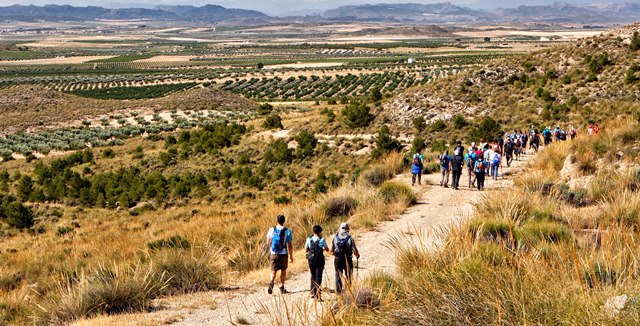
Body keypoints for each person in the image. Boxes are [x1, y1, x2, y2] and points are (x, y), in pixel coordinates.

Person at [267, 214, 294, 295]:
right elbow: (290, 245)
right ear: (284, 221)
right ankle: (282, 287)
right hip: (283, 253)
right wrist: (291, 256)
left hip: (274, 253)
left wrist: (272, 248)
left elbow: (268, 242)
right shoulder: (287, 231)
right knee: (283, 270)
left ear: (277, 220)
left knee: (273, 270)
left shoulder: (272, 229)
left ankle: (271, 281)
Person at [331, 223, 359, 294]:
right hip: (347, 259)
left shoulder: (335, 238)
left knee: (338, 275)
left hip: (337, 259)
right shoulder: (350, 238)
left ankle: (338, 291)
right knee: (348, 275)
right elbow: (354, 250)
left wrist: (336, 253)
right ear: (348, 229)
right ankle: (348, 291)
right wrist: (357, 255)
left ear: (340, 229)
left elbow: (331, 250)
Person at [305, 225, 329, 301]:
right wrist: (323, 248)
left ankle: (313, 292)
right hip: (319, 260)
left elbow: (306, 250)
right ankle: (318, 295)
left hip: (311, 260)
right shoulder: (321, 240)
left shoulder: (309, 239)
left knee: (313, 275)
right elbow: (327, 249)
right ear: (319, 232)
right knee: (318, 277)